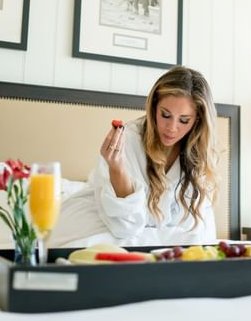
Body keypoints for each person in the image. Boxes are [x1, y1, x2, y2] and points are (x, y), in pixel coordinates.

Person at [89, 66, 219, 246]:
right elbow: (124, 229)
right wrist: (117, 169)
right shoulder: (128, 141)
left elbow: (195, 233)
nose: (172, 128)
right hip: (114, 234)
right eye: (165, 115)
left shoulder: (198, 157)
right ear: (154, 107)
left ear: (197, 120)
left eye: (183, 120)